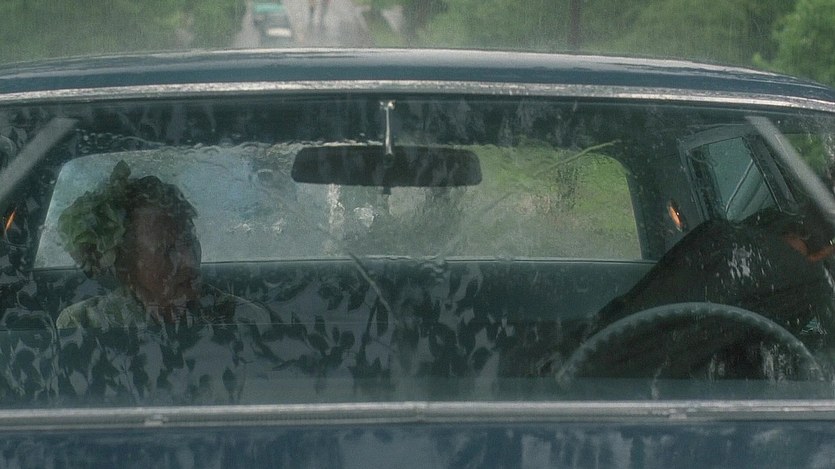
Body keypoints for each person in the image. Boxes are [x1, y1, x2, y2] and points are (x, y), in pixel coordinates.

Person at [55, 161, 267, 329]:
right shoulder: (84, 325)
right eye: (167, 250)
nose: (189, 259)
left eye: (189, 240)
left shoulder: (242, 320)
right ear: (126, 266)